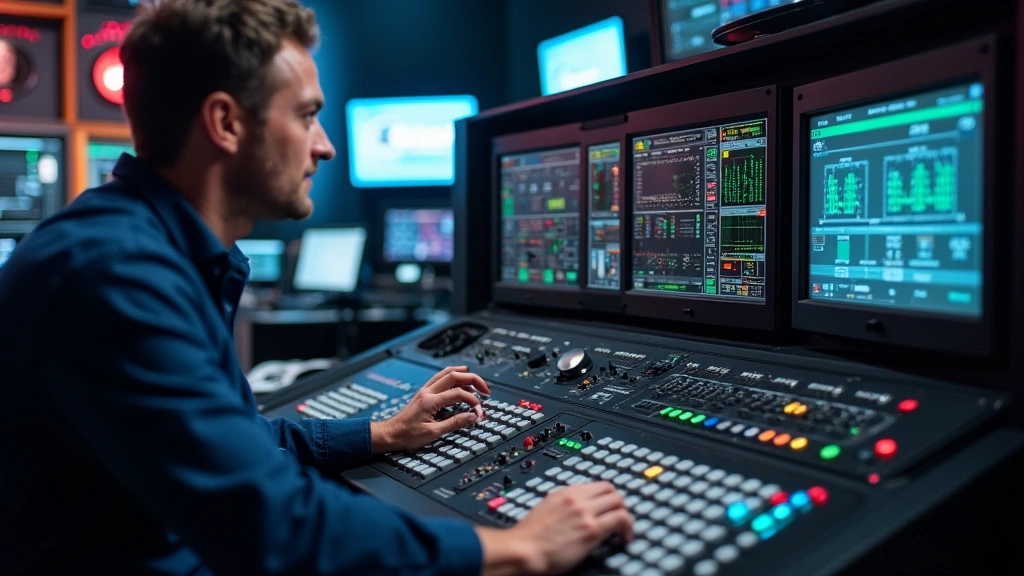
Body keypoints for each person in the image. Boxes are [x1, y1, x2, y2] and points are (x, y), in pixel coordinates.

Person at [0, 1, 633, 574]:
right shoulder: (115, 276)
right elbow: (275, 527)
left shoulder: (149, 251)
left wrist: (381, 433)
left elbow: (229, 444)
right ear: (225, 122)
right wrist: (518, 548)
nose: (325, 147)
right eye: (307, 116)